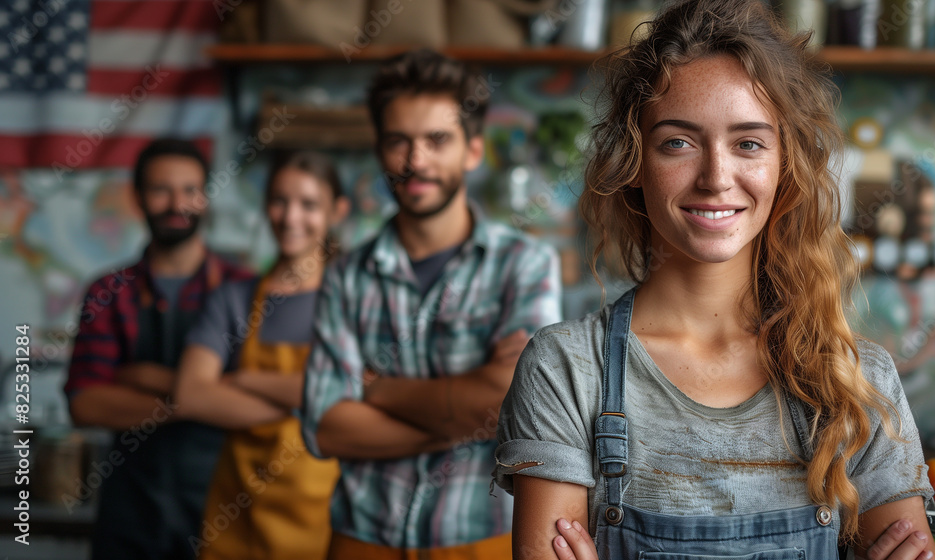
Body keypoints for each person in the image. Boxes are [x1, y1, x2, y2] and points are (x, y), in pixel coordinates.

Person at [492, 1, 935, 559]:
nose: (716, 178)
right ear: (634, 163)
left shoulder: (857, 381)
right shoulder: (566, 370)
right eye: (678, 142)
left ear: (786, 164)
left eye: (749, 143)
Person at [300, 48, 562, 559]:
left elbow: (521, 412)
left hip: (479, 540)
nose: (415, 160)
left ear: (472, 150)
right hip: (361, 542)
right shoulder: (345, 276)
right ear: (379, 150)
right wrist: (470, 417)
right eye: (399, 141)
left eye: (436, 140)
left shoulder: (524, 264)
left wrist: (379, 392)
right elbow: (325, 428)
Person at [64, 138, 253, 560]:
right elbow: (86, 404)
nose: (176, 203)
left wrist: (143, 378)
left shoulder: (245, 291)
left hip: (224, 508)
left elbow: (259, 397)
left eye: (189, 190)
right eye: (160, 190)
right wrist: (198, 396)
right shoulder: (108, 292)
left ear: (205, 197)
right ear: (137, 199)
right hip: (130, 515)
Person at [174, 151, 349, 559]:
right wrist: (310, 404)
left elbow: (365, 391)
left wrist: (242, 381)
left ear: (337, 211)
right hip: (238, 519)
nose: (290, 218)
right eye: (279, 200)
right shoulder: (233, 300)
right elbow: (192, 394)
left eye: (309, 204)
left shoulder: (353, 301)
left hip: (326, 522)